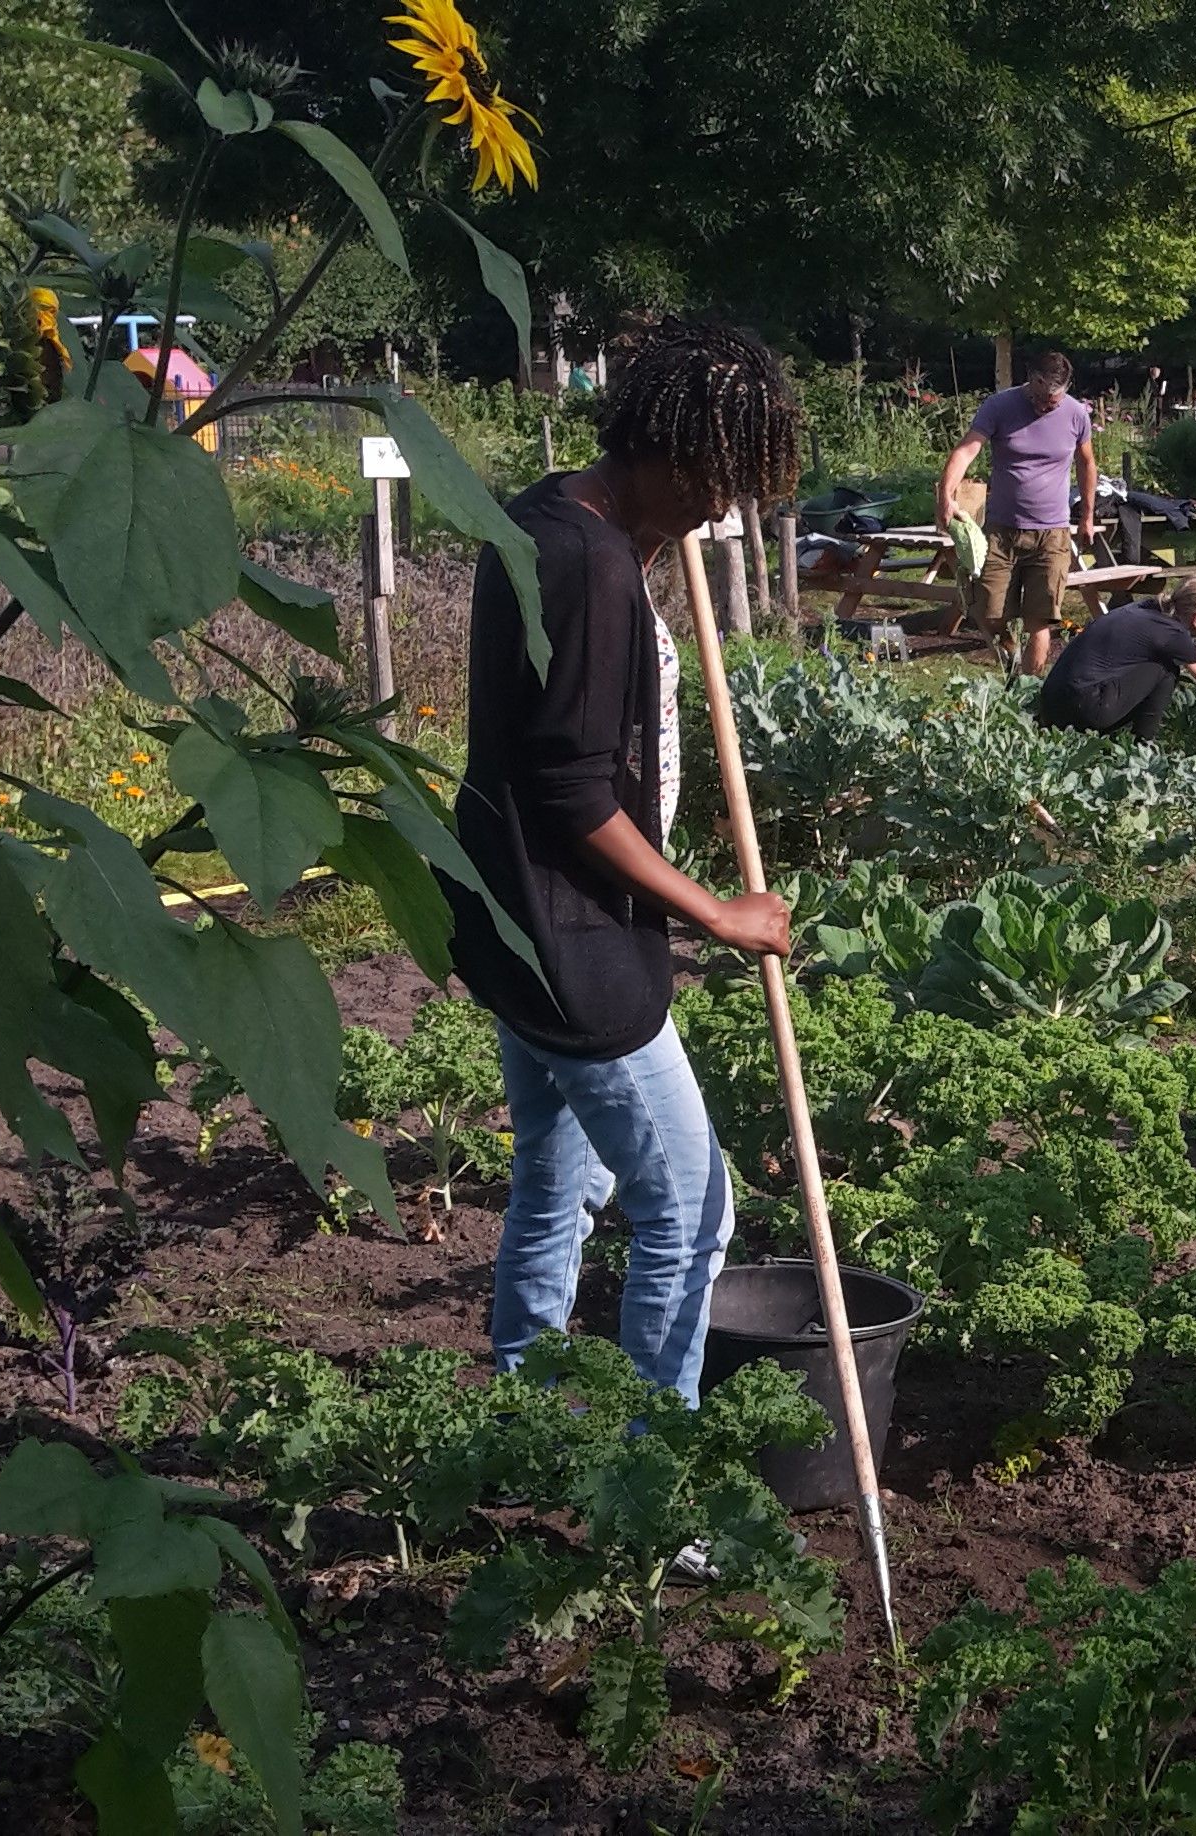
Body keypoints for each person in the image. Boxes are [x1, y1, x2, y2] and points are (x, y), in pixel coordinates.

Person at [443, 318, 802, 1407]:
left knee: (558, 1180)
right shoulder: (588, 566)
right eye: (717, 480)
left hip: (514, 919)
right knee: (694, 1213)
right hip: (574, 942)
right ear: (667, 449)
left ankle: (526, 1411)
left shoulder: (553, 513)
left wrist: (647, 546)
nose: (724, 509)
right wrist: (714, 914)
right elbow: (571, 792)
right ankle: (663, 1480)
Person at [938, 348, 1097, 675]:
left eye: (1057, 398)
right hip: (1001, 531)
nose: (1050, 404)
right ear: (1033, 379)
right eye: (1045, 396)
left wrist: (1088, 516)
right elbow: (966, 450)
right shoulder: (999, 406)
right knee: (987, 613)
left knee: (1040, 621)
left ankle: (1029, 692)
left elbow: (1086, 463)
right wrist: (945, 495)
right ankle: (1010, 658)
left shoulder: (1076, 414)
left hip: (1052, 534)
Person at [1034, 576, 1196, 740]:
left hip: (1051, 705)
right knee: (1166, 669)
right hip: (1082, 710)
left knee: (1164, 659)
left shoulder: (1150, 611)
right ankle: (1143, 745)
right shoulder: (1172, 635)